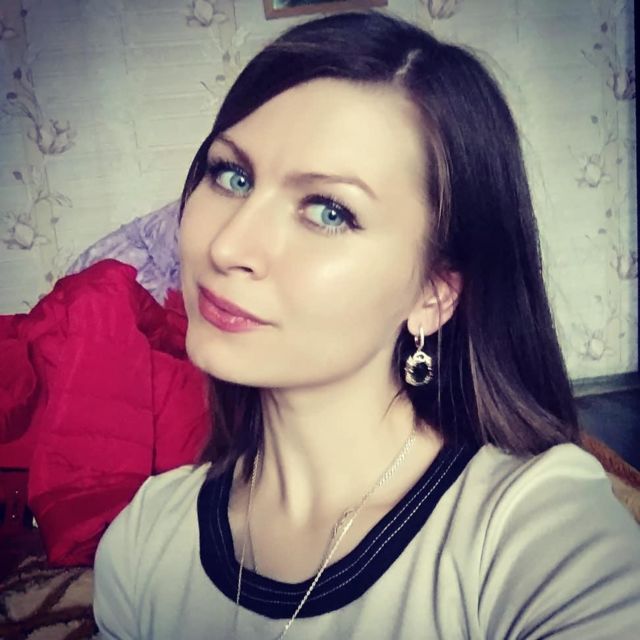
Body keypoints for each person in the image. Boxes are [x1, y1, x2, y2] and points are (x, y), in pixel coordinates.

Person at [93, 11, 640, 640]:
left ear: (434, 292)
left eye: (329, 211)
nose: (228, 246)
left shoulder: (533, 533)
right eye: (232, 176)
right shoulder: (145, 540)